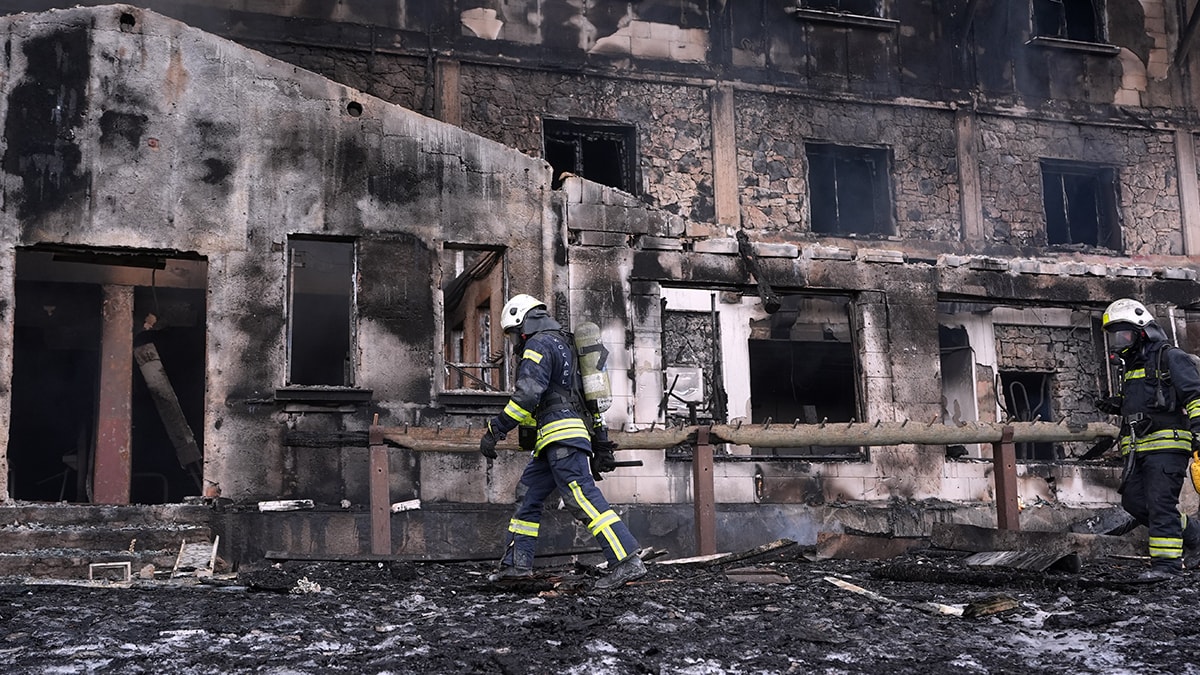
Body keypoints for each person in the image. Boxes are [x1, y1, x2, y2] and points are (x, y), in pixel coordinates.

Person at [478, 293, 646, 590]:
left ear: (524, 324)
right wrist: (601, 443)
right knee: (527, 496)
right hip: (556, 441)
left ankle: (627, 561)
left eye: (514, 333)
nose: (515, 340)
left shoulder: (538, 344)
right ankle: (515, 566)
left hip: (561, 437)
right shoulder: (569, 345)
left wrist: (496, 429)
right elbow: (591, 401)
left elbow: (527, 396)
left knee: (580, 496)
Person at [1099, 298, 1200, 579]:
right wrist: (1117, 404)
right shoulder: (1129, 367)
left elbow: (1195, 395)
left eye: (1124, 333)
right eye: (1114, 335)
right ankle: (1194, 534)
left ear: (1143, 330)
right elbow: (1147, 399)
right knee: (1133, 502)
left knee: (1160, 504)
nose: (1118, 341)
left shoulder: (1171, 357)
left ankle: (1167, 567)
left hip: (1168, 444)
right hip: (1138, 448)